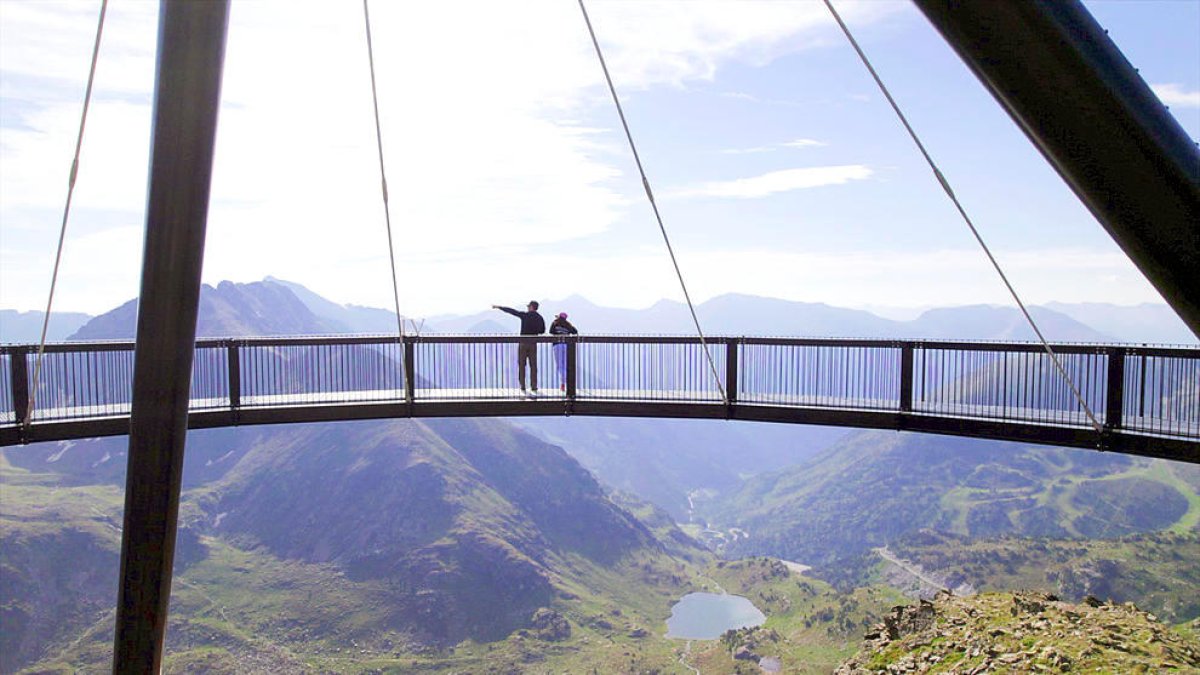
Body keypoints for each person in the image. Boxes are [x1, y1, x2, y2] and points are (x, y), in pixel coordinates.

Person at [492, 301, 545, 393]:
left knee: (521, 364)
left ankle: (523, 385)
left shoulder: (525, 315)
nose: (528, 307)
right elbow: (542, 330)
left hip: (523, 342)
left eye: (528, 306)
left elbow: (512, 311)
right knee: (533, 365)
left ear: (532, 307)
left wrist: (500, 307)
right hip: (533, 343)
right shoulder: (539, 318)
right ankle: (534, 386)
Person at [549, 312, 578, 391]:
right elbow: (575, 331)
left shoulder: (555, 323)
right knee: (566, 364)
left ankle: (563, 382)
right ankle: (567, 382)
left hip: (557, 345)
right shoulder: (568, 325)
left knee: (559, 365)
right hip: (566, 345)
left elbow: (550, 331)